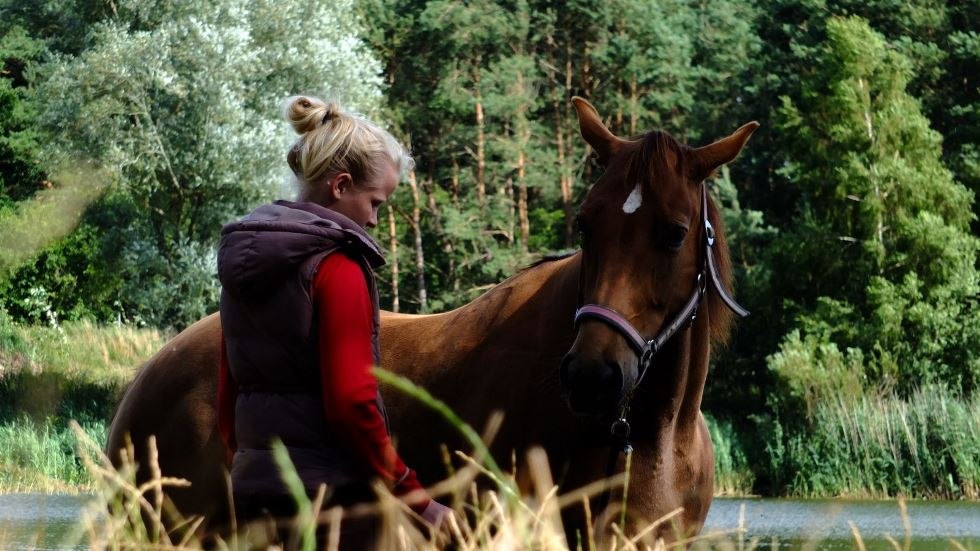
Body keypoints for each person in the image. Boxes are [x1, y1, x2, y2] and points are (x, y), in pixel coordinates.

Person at [215, 95, 452, 545]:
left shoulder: (243, 263)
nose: (376, 221)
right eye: (376, 204)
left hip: (255, 488)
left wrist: (246, 461)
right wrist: (416, 497)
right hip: (330, 497)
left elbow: (229, 385)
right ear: (340, 186)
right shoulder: (337, 267)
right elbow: (351, 402)